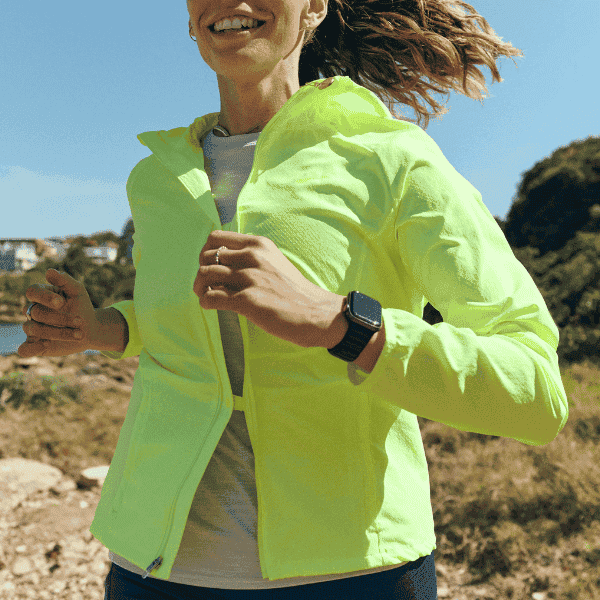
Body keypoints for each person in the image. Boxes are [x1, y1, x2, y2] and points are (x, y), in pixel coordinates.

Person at [23, 1, 569, 598]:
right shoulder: (156, 177)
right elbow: (195, 327)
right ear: (188, 17)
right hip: (151, 570)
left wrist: (343, 324)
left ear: (313, 8)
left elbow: (536, 390)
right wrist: (106, 328)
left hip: (352, 574)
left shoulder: (392, 158)